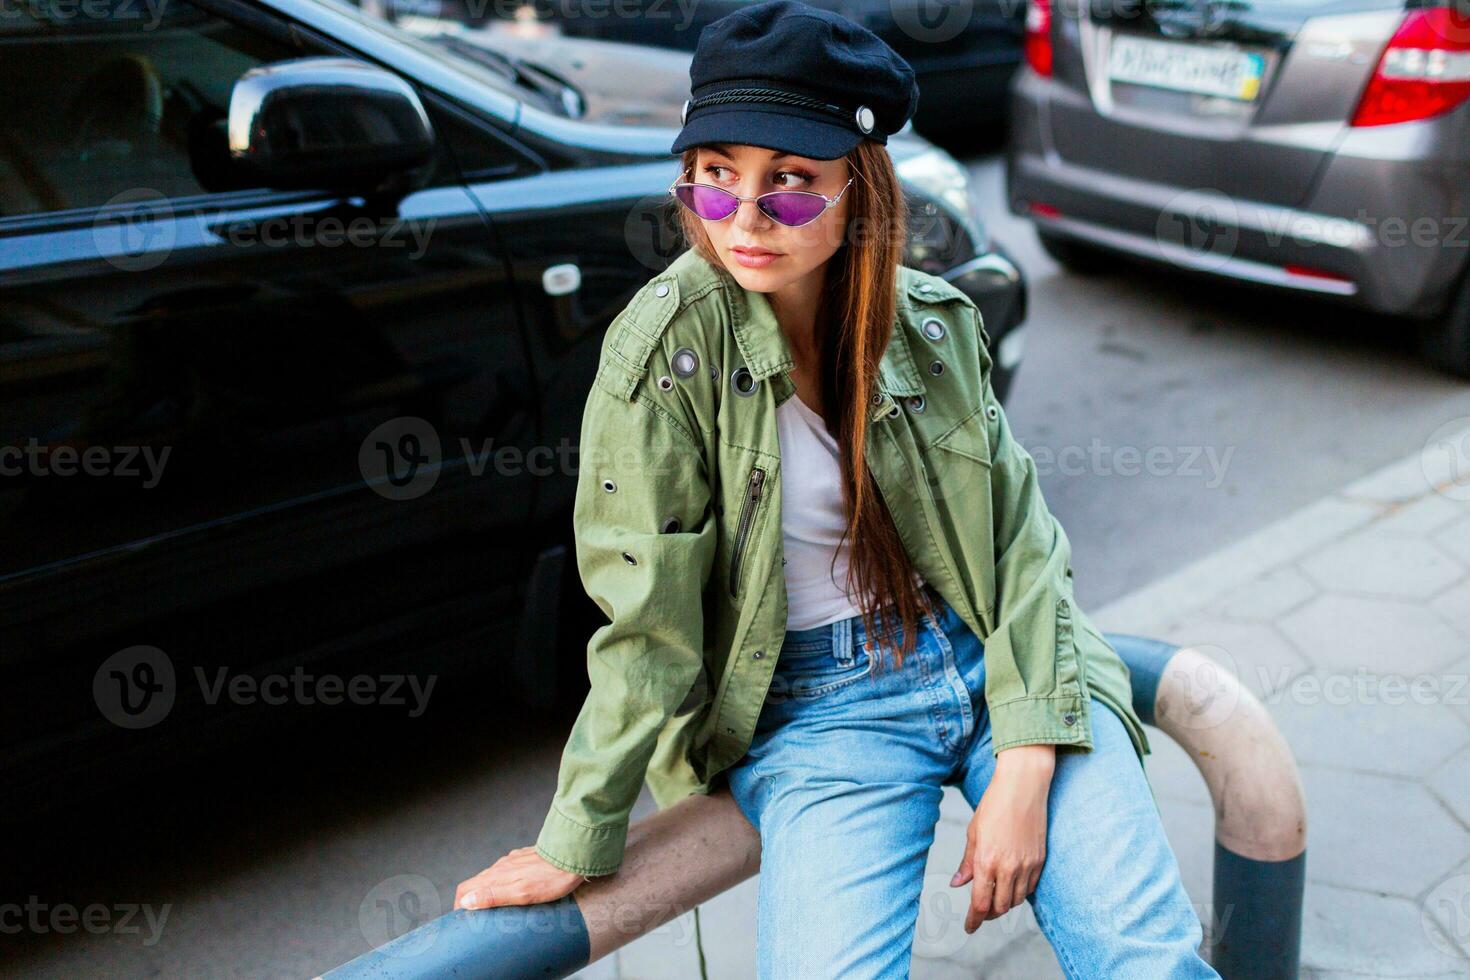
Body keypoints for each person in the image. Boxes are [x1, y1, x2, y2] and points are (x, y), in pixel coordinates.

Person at [454, 2, 1221, 976]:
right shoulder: (666, 356)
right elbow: (647, 626)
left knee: (1146, 955)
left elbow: (1022, 544)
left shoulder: (933, 324)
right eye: (717, 176)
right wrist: (578, 833)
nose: (746, 217)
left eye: (791, 183)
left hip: (995, 655)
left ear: (858, 191)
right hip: (821, 712)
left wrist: (1028, 757)